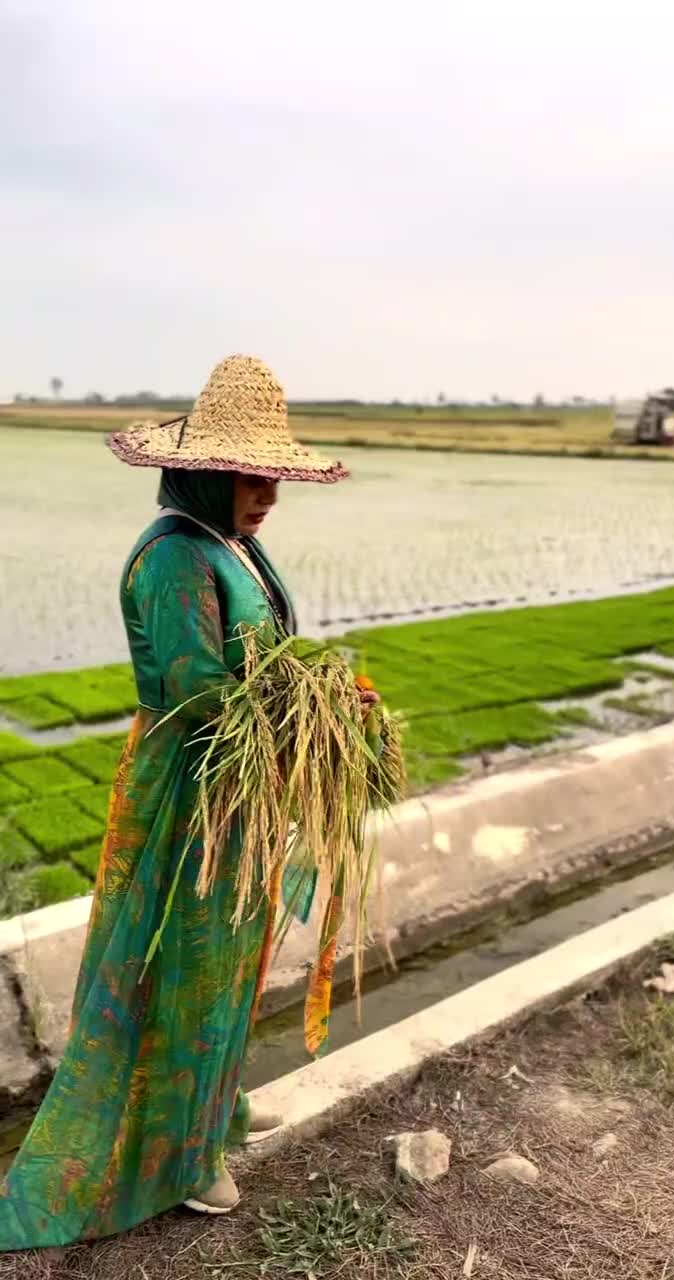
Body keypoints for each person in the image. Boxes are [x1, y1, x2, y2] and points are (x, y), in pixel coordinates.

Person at [0, 355, 377, 1248]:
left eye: (273, 477)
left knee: (231, 962)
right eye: (252, 477)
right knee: (183, 966)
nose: (268, 495)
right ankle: (177, 1160)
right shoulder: (173, 558)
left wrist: (330, 694)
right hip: (190, 795)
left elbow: (265, 658)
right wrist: (303, 713)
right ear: (205, 471)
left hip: (238, 793)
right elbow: (199, 693)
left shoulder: (236, 544)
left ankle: (210, 1122)